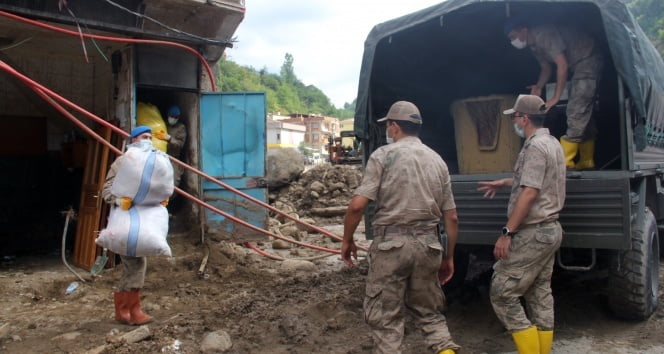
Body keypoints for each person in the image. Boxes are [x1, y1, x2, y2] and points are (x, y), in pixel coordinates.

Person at [341, 101, 460, 354]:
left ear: (394, 126)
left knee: (386, 321)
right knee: (430, 316)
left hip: (391, 247)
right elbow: (452, 217)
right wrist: (448, 257)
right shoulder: (437, 161)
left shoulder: (383, 156)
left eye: (388, 126)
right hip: (428, 246)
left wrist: (347, 239)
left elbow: (356, 207)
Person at [477, 95, 566, 354]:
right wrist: (504, 183)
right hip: (550, 230)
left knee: (502, 293)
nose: (514, 122)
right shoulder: (552, 143)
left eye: (514, 117)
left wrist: (507, 232)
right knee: (539, 293)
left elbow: (530, 192)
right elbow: (536, 179)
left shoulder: (535, 147)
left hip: (533, 233)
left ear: (524, 119)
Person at [504, 19, 603, 170]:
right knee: (584, 114)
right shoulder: (534, 46)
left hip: (588, 59)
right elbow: (546, 68)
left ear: (523, 31)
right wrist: (539, 86)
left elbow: (562, 65)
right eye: (510, 39)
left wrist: (555, 98)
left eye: (513, 36)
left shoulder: (544, 35)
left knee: (577, 109)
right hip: (578, 64)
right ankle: (587, 160)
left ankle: (565, 162)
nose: (513, 41)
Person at [101, 125, 154, 325]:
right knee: (136, 263)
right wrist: (118, 200)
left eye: (149, 137)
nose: (147, 140)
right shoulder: (122, 162)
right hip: (125, 222)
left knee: (133, 264)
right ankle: (134, 311)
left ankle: (122, 311)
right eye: (143, 137)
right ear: (133, 140)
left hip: (143, 221)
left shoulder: (151, 162)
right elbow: (106, 190)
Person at [165, 105, 187, 188]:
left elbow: (180, 144)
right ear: (168, 116)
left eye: (176, 117)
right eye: (172, 116)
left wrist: (170, 139)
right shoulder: (164, 125)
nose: (173, 119)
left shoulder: (181, 128)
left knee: (174, 183)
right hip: (162, 156)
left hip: (174, 159)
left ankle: (171, 200)